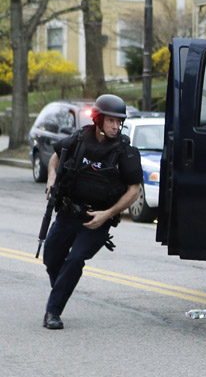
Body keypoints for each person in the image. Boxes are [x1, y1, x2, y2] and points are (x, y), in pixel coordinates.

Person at [41, 94, 142, 329]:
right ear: (98, 119)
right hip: (68, 212)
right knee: (51, 257)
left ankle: (52, 312)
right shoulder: (80, 138)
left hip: (97, 219)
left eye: (119, 122)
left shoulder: (123, 151)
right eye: (111, 121)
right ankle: (63, 289)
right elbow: (55, 158)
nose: (116, 126)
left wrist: (106, 214)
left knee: (75, 259)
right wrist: (51, 178)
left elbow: (134, 190)